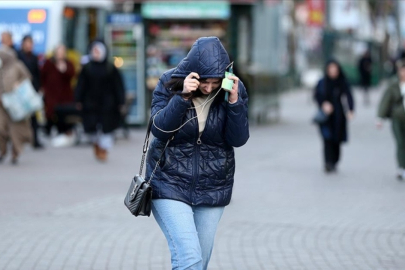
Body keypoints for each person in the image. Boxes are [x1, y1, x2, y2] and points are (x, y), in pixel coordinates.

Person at [146, 37, 249, 270]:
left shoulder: (233, 89)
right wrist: (182, 97)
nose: (209, 88)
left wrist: (234, 103)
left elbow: (238, 139)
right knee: (189, 260)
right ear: (193, 73)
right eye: (205, 82)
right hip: (168, 182)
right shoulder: (169, 82)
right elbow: (159, 129)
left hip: (213, 187)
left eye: (215, 83)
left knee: (198, 264)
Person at [75, 40, 125, 161]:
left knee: (107, 129)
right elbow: (81, 85)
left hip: (108, 104)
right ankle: (97, 145)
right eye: (94, 51)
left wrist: (120, 101)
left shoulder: (110, 67)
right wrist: (78, 100)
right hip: (90, 103)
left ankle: (104, 149)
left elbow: (118, 86)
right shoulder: (87, 68)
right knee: (92, 128)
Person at [314, 60, 355, 173]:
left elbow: (349, 96)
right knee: (327, 138)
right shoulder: (322, 82)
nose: (332, 71)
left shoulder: (342, 81)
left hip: (338, 115)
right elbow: (317, 95)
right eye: (330, 69)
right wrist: (323, 104)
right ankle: (328, 162)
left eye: (334, 69)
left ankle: (335, 160)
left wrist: (350, 110)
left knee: (337, 139)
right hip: (326, 116)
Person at [0, 47, 32, 164]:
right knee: (1, 128)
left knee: (16, 129)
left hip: (16, 104)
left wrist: (18, 83)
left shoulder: (17, 65)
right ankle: (2, 150)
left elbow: (27, 77)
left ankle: (15, 152)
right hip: (2, 104)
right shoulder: (1, 67)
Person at [41, 44, 76, 147]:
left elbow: (72, 74)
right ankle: (49, 130)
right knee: (51, 113)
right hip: (51, 94)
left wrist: (64, 69)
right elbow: (43, 76)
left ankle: (63, 132)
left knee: (63, 114)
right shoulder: (49, 63)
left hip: (64, 96)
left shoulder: (68, 63)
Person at [377, 60, 405, 180]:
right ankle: (401, 167)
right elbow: (386, 101)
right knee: (400, 143)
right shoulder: (394, 84)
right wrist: (380, 118)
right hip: (397, 118)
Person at [18, 35, 43, 149]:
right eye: (27, 43)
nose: (29, 45)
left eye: (31, 43)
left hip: (31, 89)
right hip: (20, 89)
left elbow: (37, 74)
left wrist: (38, 88)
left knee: (33, 116)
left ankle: (35, 140)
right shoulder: (18, 56)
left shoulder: (34, 57)